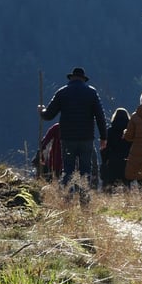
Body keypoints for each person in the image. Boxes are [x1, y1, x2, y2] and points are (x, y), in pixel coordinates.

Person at [38, 67, 108, 205]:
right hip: (86, 138)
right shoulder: (91, 92)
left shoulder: (62, 92)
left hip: (68, 139)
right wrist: (103, 137)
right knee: (85, 170)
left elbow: (49, 115)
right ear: (83, 79)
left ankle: (67, 201)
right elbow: (100, 116)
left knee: (68, 170)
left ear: (71, 78)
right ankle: (85, 203)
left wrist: (42, 110)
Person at [101, 108, 132, 190]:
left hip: (112, 163)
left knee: (110, 188)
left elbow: (104, 149)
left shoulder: (109, 131)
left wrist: (105, 161)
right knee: (126, 188)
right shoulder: (130, 132)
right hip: (126, 163)